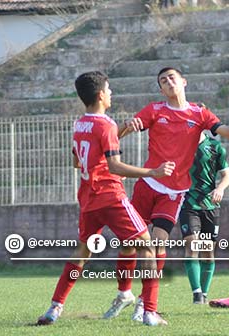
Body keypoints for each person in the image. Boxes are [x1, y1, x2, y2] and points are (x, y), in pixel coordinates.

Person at [102, 67, 229, 321]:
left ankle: (146, 303)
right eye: (162, 81)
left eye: (172, 78)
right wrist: (126, 126)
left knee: (157, 243)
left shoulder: (199, 114)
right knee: (130, 244)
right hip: (148, 184)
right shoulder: (154, 110)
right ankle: (125, 293)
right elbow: (115, 136)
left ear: (184, 82)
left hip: (175, 192)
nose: (168, 82)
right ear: (160, 89)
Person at [37, 71, 175, 326]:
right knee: (148, 246)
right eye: (109, 90)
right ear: (101, 95)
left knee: (82, 252)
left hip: (88, 200)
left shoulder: (79, 124)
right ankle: (150, 312)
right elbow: (115, 166)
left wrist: (113, 141)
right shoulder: (106, 125)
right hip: (111, 197)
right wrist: (152, 172)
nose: (111, 94)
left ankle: (54, 308)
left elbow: (77, 161)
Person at [179, 131, 229, 304]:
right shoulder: (180, 143)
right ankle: (197, 294)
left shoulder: (215, 147)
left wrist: (220, 189)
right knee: (192, 246)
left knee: (208, 252)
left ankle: (205, 293)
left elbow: (226, 176)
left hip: (210, 206)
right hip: (188, 204)